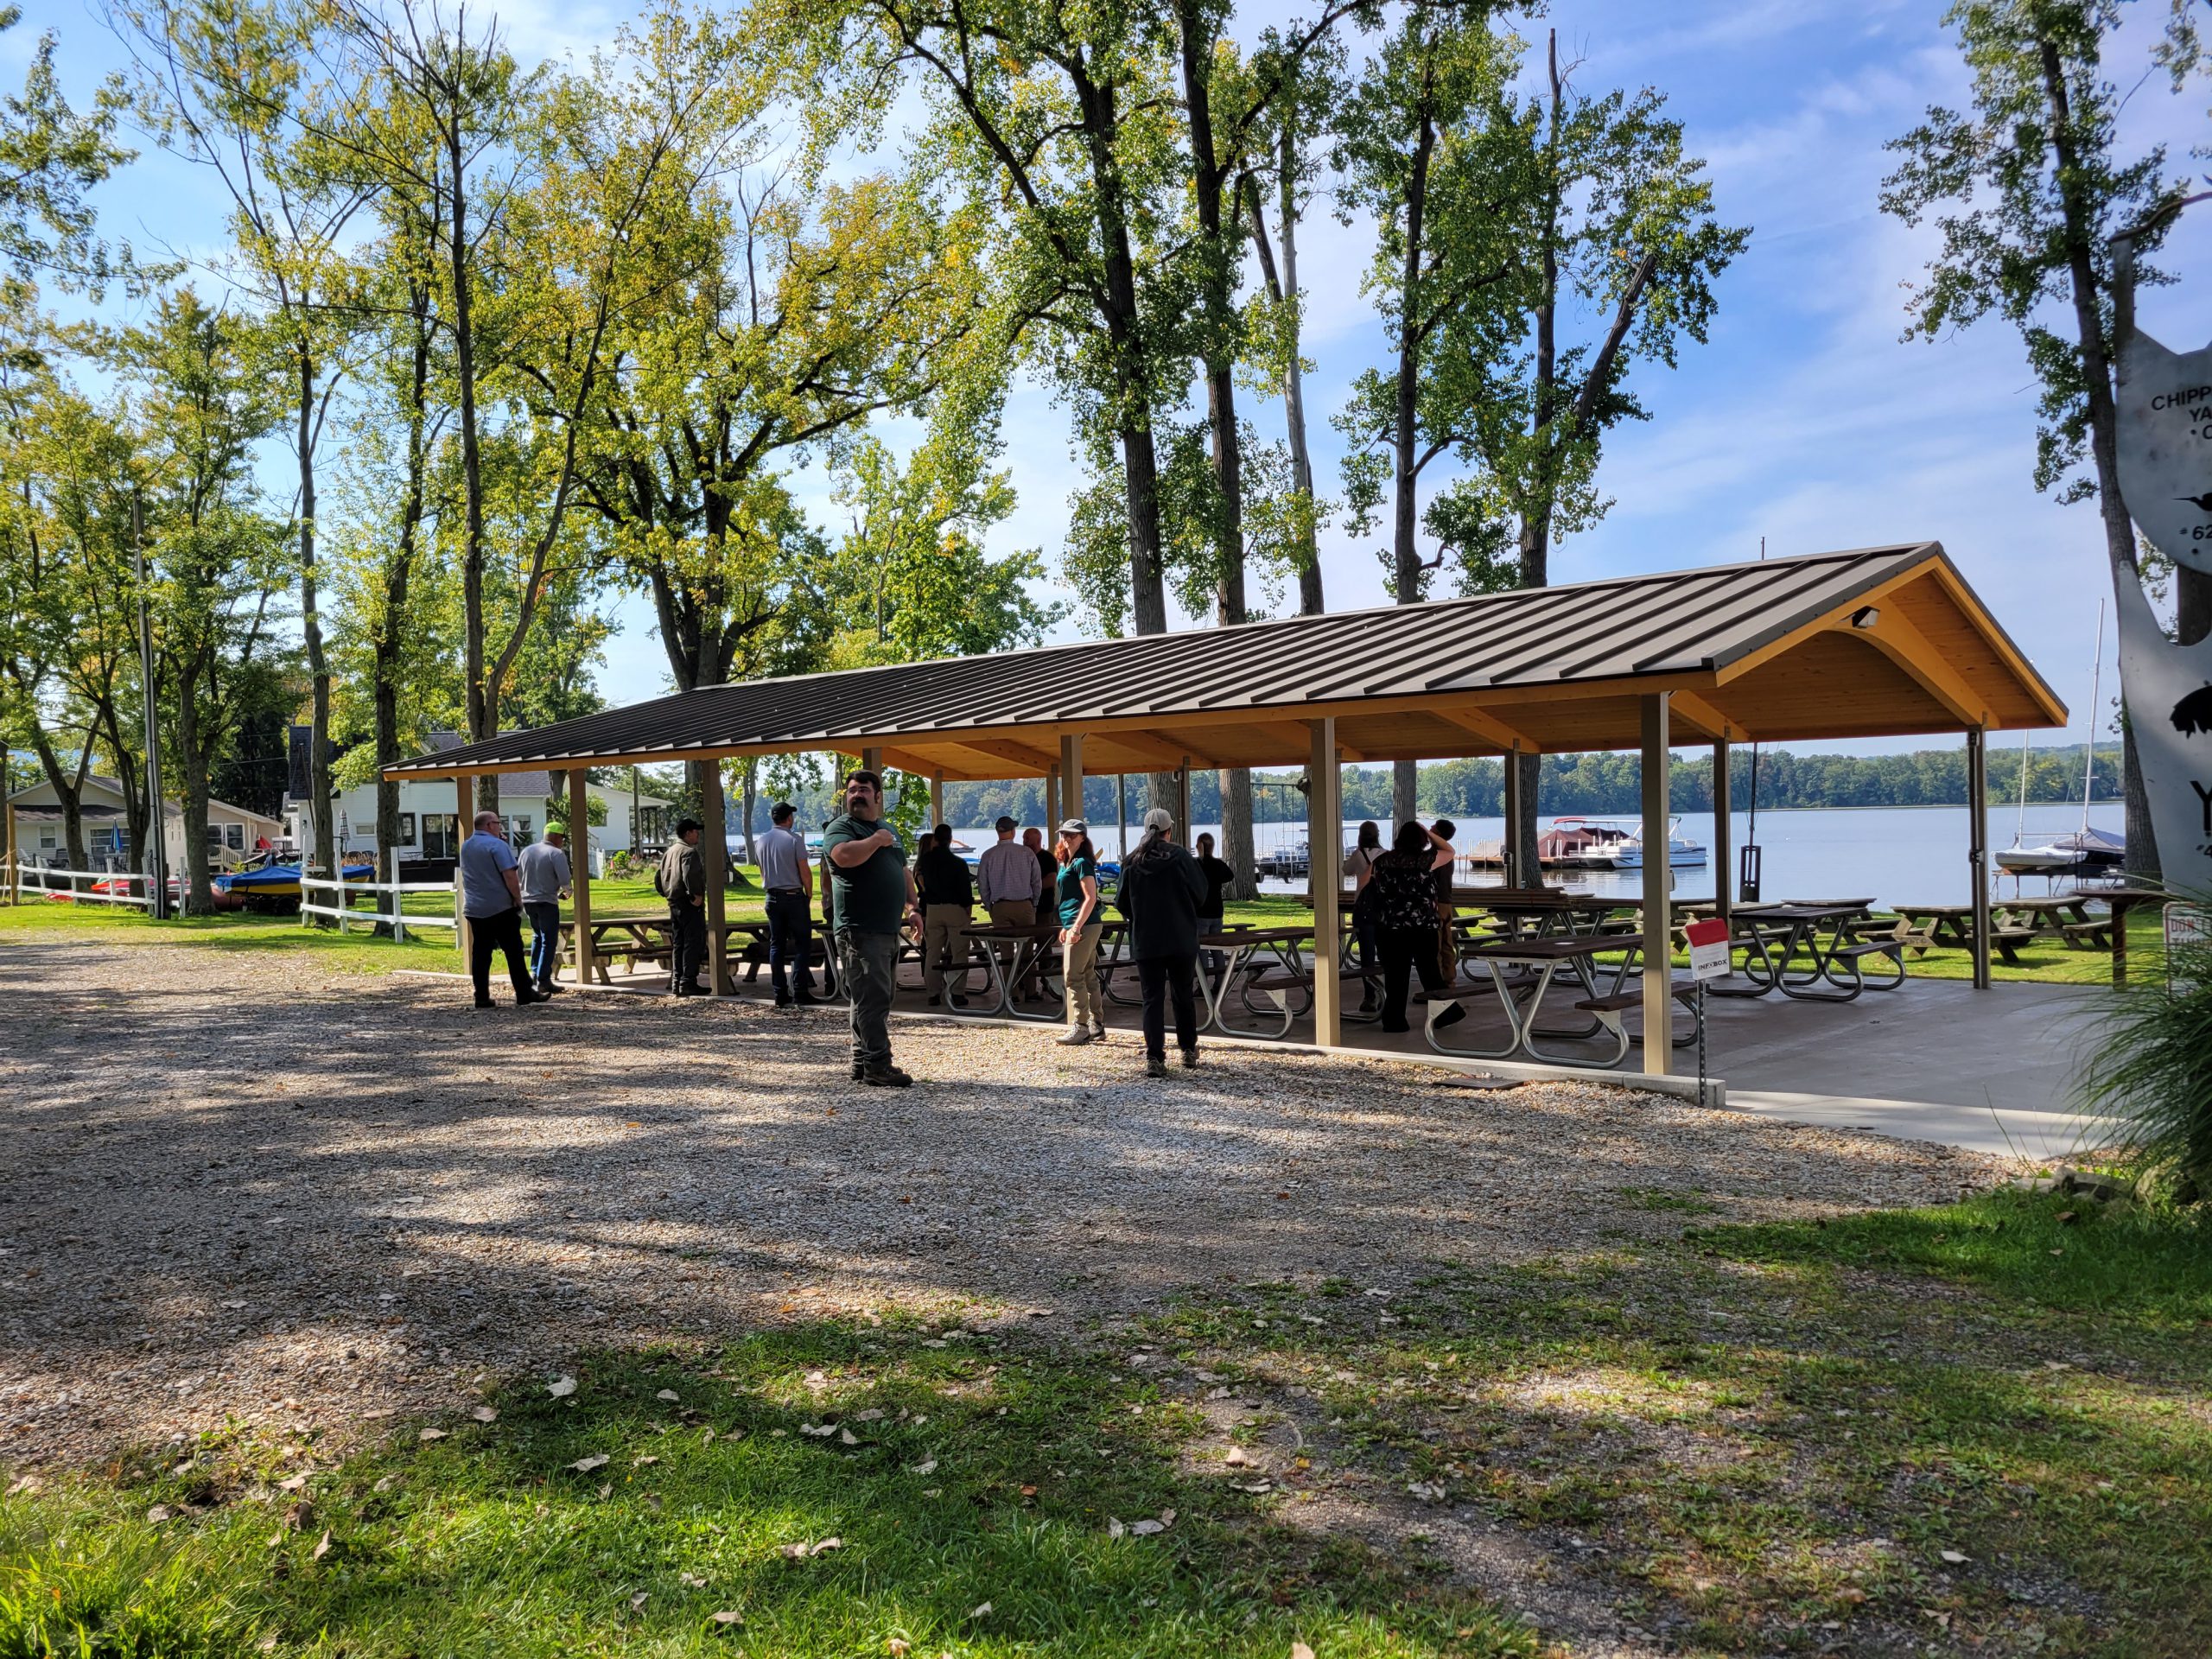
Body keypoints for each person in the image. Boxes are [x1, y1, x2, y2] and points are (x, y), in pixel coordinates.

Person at [823, 769, 921, 1087]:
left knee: (870, 997)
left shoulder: (887, 828)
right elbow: (843, 857)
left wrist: (913, 907)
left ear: (878, 796)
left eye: (863, 790)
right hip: (859, 929)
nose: (856, 795)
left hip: (886, 927)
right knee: (873, 998)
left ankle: (861, 1061)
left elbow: (902, 869)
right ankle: (878, 1064)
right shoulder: (843, 828)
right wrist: (876, 841)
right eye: (851, 791)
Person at [1115, 806, 1208, 1076]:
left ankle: (1155, 1056)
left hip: (1147, 939)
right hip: (1180, 937)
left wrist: (1140, 916)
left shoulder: (1133, 860)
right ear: (1170, 830)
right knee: (1183, 995)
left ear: (1146, 830)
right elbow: (1200, 894)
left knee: (1151, 999)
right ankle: (1188, 1049)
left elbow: (1122, 902)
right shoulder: (1180, 856)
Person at [1371, 821, 1468, 1034]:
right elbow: (1449, 850)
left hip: (1390, 927)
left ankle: (1394, 1020)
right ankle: (1444, 1012)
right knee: (1430, 972)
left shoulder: (1382, 860)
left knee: (1395, 976)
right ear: (1422, 840)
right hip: (1422, 927)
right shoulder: (1425, 861)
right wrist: (1428, 832)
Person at [458, 810, 543, 1009]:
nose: (500, 827)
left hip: (474, 908)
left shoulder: (467, 846)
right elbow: (510, 876)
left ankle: (481, 996)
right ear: (489, 825)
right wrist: (518, 900)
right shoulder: (497, 845)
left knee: (481, 952)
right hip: (499, 907)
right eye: (498, 823)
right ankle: (524, 992)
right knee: (513, 950)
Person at [757, 802, 818, 1007]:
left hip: (772, 896)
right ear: (789, 818)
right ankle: (800, 990)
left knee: (777, 945)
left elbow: (762, 872)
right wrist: (809, 893)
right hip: (793, 896)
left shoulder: (761, 841)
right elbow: (804, 870)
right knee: (802, 943)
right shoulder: (795, 840)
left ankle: (779, 992)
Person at [977, 814, 1044, 1000]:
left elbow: (983, 885)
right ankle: (1031, 990)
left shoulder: (988, 855)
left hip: (1000, 905)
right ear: (1013, 832)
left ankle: (1010, 992)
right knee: (1027, 950)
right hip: (1024, 904)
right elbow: (1036, 881)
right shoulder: (1027, 853)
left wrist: (990, 906)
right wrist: (1034, 903)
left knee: (1005, 953)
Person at [1053, 818, 1107, 1044]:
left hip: (1084, 924)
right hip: (1079, 923)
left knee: (1073, 975)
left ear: (1082, 838)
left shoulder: (1082, 862)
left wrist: (1075, 927)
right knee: (1087, 974)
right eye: (1064, 834)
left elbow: (1090, 898)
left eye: (1072, 835)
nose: (1066, 838)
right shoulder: (1070, 861)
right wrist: (1068, 926)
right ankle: (1096, 1024)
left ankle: (1080, 1025)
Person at [913, 823, 976, 1007]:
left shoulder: (925, 862)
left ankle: (933, 993)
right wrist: (967, 906)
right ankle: (957, 992)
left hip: (933, 909)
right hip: (955, 908)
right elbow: (965, 890)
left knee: (932, 952)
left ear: (935, 839)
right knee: (959, 951)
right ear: (949, 839)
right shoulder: (958, 863)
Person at [516, 824, 572, 995]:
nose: (562, 841)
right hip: (547, 901)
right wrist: (568, 891)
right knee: (549, 940)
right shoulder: (556, 853)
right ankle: (544, 979)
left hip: (528, 901)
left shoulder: (527, 851)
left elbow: (518, 875)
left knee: (537, 936)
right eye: (562, 837)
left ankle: (535, 973)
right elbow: (565, 879)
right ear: (555, 837)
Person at [657, 818, 709, 996]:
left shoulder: (669, 851)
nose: (698, 835)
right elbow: (690, 875)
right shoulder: (689, 852)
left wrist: (666, 893)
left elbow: (658, 879)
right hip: (688, 904)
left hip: (674, 902)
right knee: (692, 942)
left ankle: (676, 980)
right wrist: (697, 895)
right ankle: (688, 981)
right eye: (695, 831)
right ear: (687, 833)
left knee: (678, 943)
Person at [1344, 820, 1384, 1013]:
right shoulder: (1386, 855)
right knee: (1386, 953)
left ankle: (1370, 996)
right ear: (1377, 834)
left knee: (1367, 955)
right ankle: (1388, 991)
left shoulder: (1358, 855)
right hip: (1384, 910)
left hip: (1363, 908)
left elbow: (1346, 870)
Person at [1192, 831, 1235, 982]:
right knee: (1217, 949)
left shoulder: (1197, 865)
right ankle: (1219, 981)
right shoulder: (1217, 864)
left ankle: (1203, 983)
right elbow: (1230, 875)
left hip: (1201, 912)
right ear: (1212, 847)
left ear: (1198, 846)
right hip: (1217, 911)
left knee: (1201, 950)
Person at [1428, 817, 1459, 984]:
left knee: (1436, 943)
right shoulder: (1448, 855)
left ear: (1437, 833)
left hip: (1436, 902)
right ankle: (1449, 977)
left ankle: (1438, 977)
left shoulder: (1435, 856)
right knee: (1447, 941)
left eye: (1433, 827)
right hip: (1446, 901)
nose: (1430, 828)